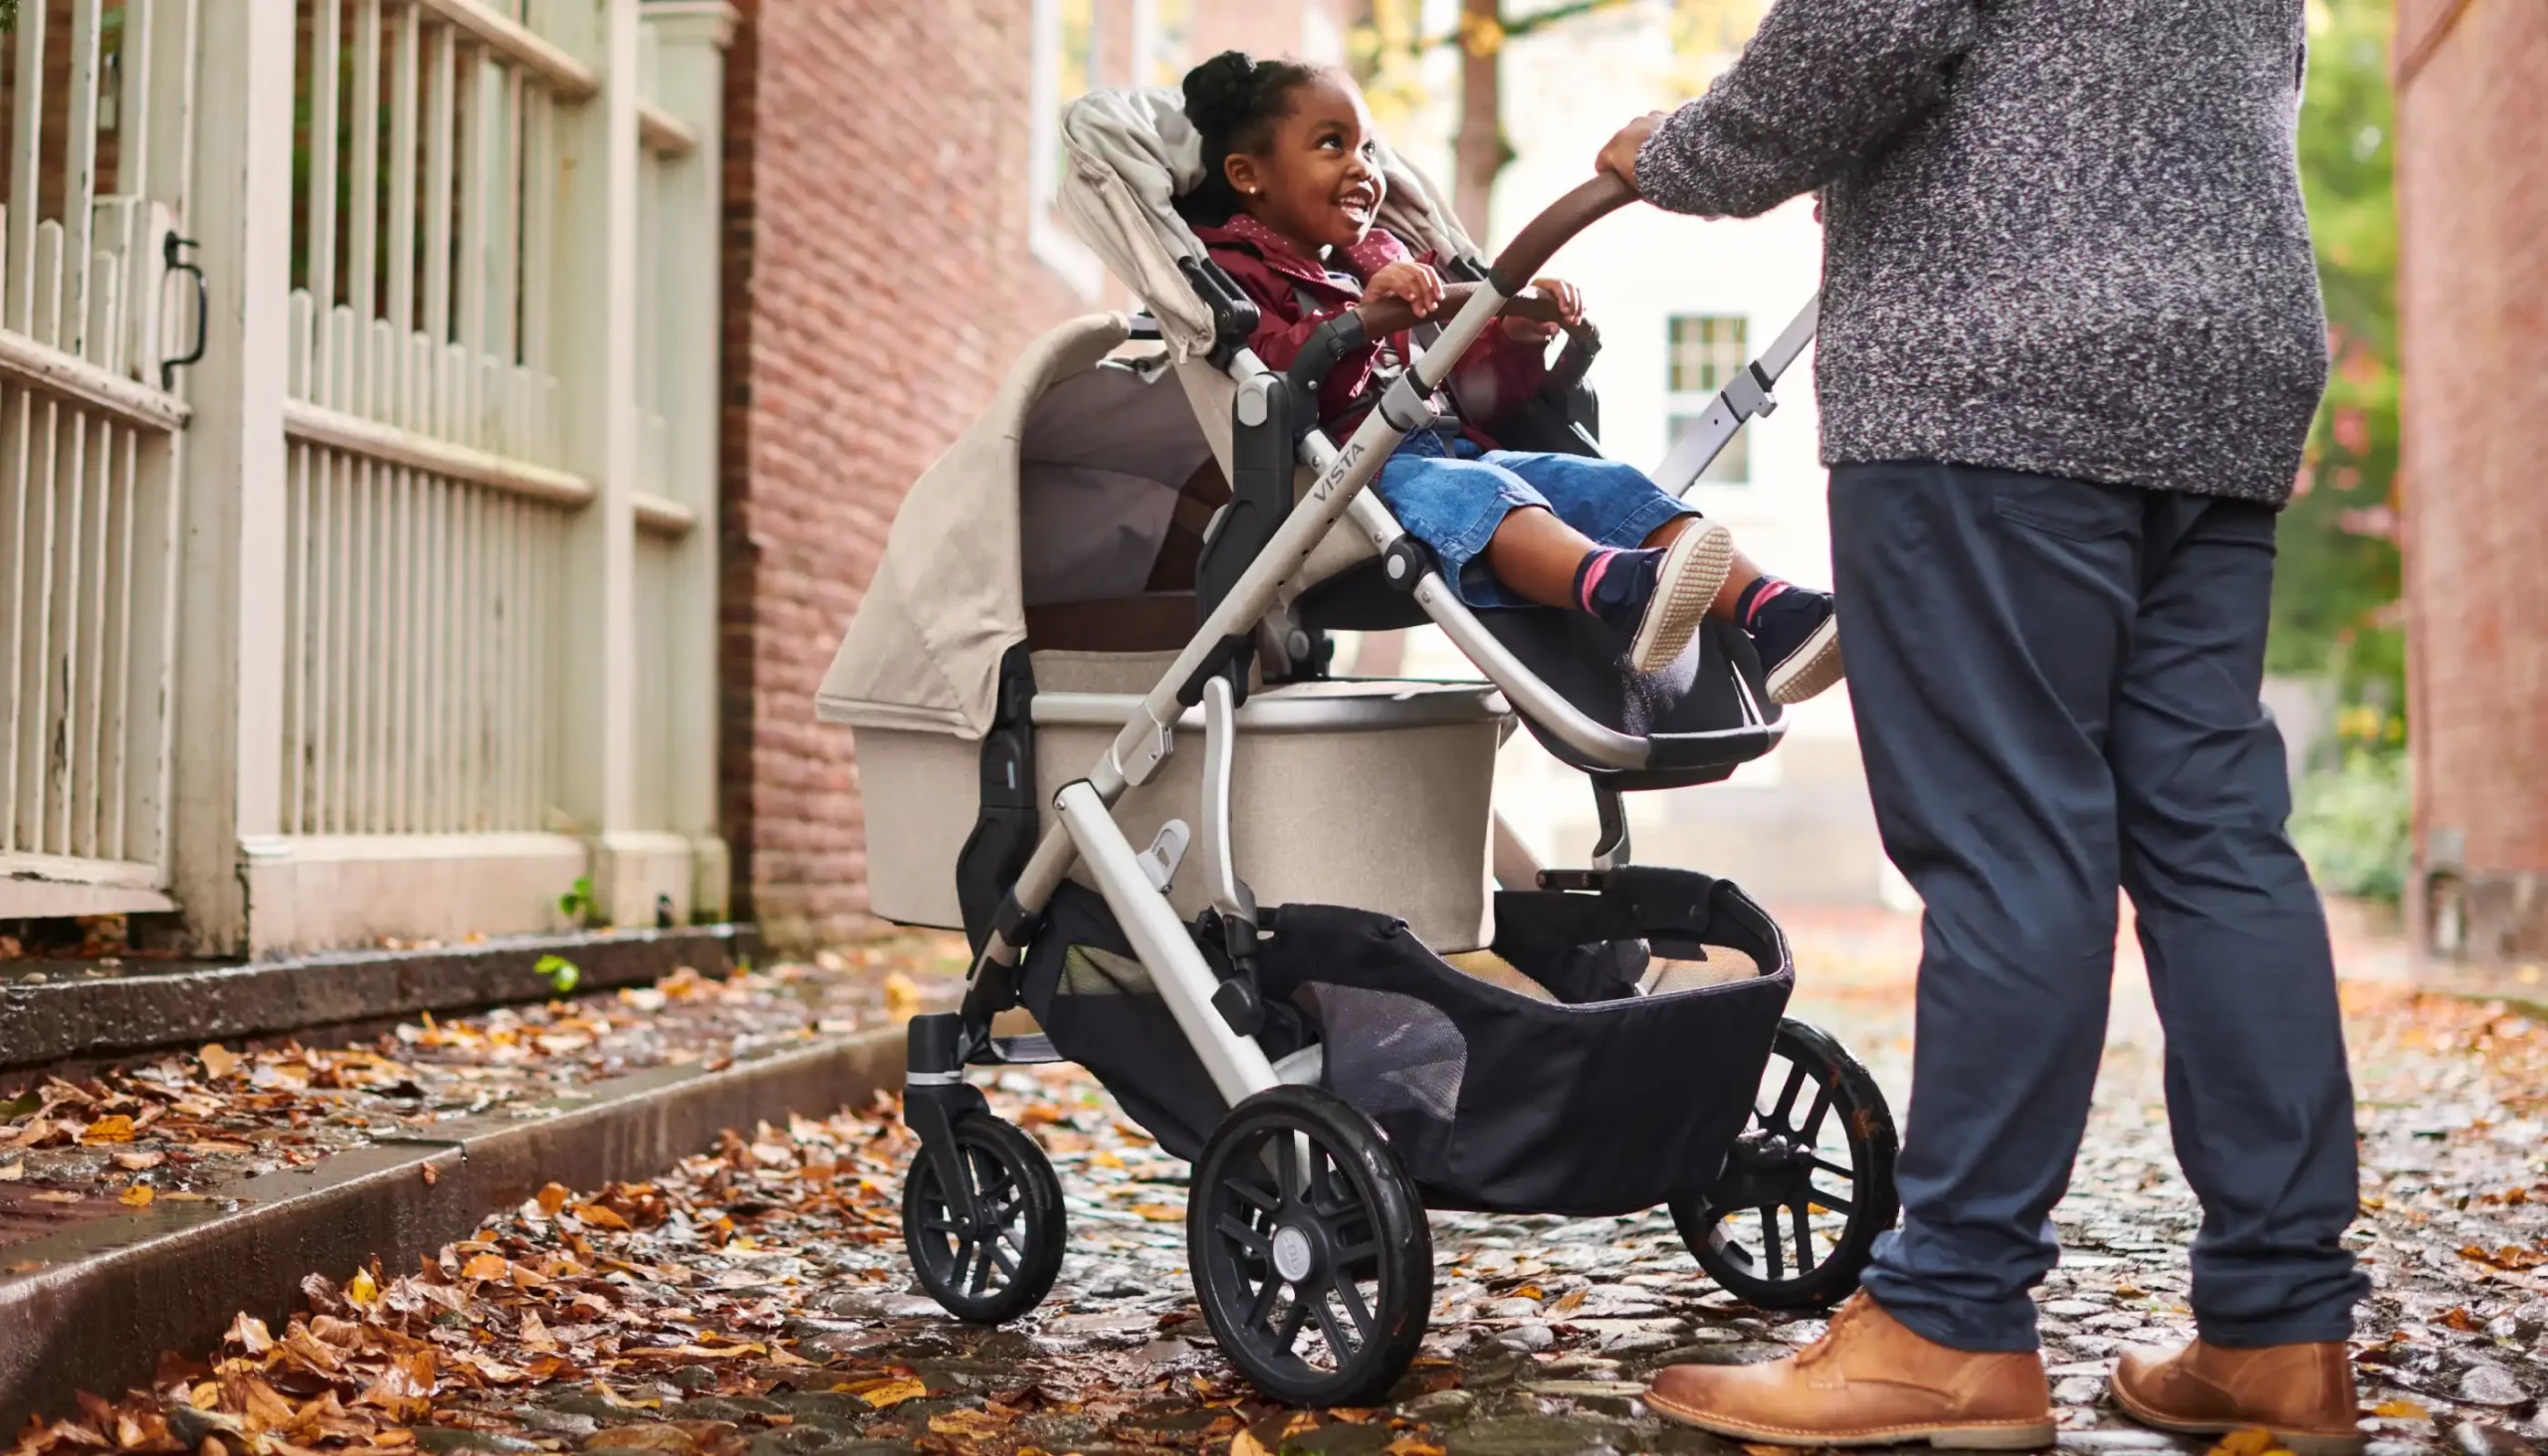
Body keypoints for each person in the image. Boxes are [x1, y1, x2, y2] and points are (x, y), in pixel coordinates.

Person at [1597, 1, 2368, 1451]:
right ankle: (2279, 1327)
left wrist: (1683, 152)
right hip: (2226, 356)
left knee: (2014, 835)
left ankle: (1949, 1321)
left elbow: (1859, 34)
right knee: (2213, 835)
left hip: (1997, 358)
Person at [1180, 51, 1841, 695]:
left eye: (1370, 150)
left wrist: (1518, 338)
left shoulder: (1386, 253)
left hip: (1459, 448)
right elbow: (1281, 376)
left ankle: (1777, 612)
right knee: (1487, 499)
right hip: (1356, 481)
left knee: (1608, 486)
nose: (1362, 168)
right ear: (1248, 174)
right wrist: (1363, 315)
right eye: (1332, 145)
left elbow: (1472, 384)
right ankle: (1622, 589)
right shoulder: (1235, 272)